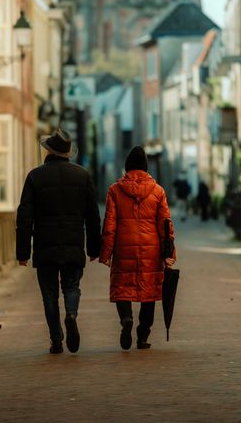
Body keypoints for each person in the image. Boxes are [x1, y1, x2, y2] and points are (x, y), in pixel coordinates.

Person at [16, 128, 101, 355]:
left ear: (48, 152)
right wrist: (95, 248)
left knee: (49, 294)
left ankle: (56, 339)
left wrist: (22, 252)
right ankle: (71, 314)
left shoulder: (35, 176)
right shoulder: (82, 176)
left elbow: (24, 217)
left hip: (45, 247)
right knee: (72, 286)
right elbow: (93, 216)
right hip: (73, 244)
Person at [99, 146, 176, 350]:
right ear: (145, 167)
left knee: (122, 287)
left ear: (127, 167)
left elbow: (109, 225)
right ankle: (143, 336)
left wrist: (105, 253)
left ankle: (126, 319)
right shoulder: (158, 191)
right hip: (152, 250)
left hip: (123, 248)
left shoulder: (115, 190)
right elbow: (166, 224)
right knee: (148, 292)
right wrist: (170, 254)